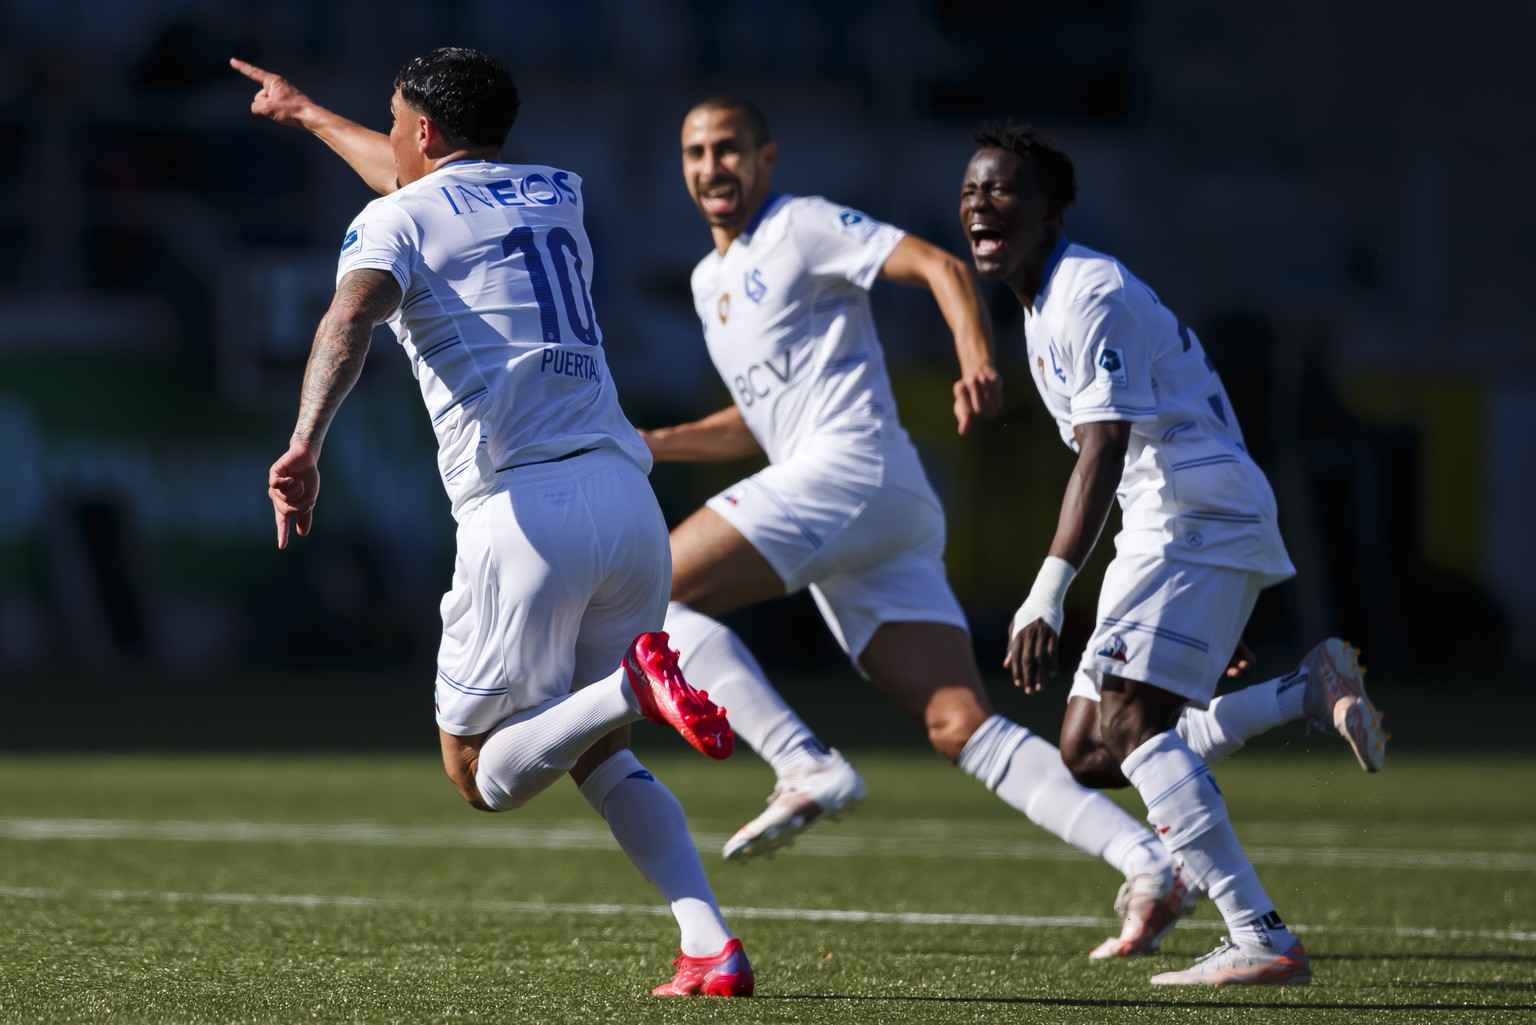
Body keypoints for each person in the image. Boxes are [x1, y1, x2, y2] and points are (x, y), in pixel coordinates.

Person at [240, 49, 753, 998]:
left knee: (480, 773)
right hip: (625, 498)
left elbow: (349, 315)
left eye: (395, 121)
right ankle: (709, 943)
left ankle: (633, 687)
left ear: (424, 133)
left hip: (523, 514)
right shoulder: (552, 191)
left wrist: (306, 440)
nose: (389, 136)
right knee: (598, 755)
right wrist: (309, 114)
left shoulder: (395, 218)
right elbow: (417, 186)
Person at [957, 121, 1389, 985]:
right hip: (1170, 518)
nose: (979, 203)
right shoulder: (1045, 305)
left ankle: (1259, 933)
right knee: (1090, 748)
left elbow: (1105, 445)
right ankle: (1309, 688)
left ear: (1051, 210)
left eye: (1002, 188)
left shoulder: (1089, 292)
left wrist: (1047, 590)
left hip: (1191, 510)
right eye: (970, 189)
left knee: (1129, 719)